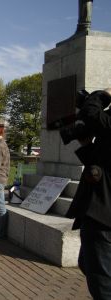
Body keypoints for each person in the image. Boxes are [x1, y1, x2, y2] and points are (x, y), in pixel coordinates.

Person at [65, 88, 111, 299]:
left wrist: (102, 94)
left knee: (102, 282)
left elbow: (92, 112)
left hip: (104, 216)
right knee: (87, 263)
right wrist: (85, 143)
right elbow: (102, 161)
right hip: (99, 212)